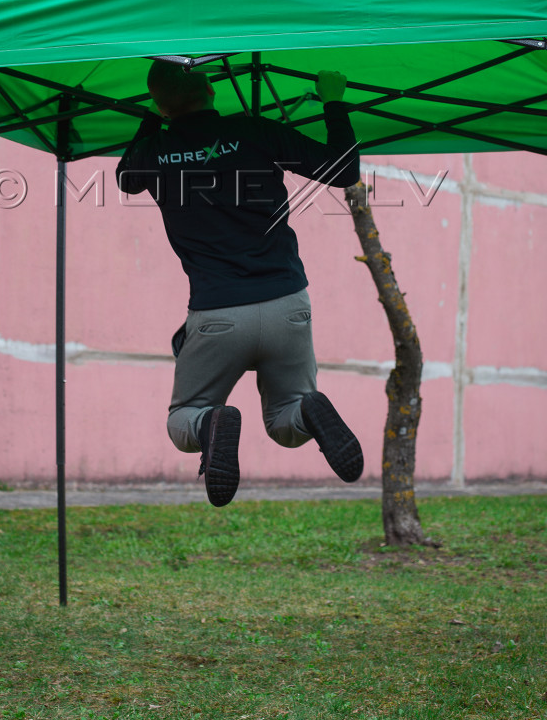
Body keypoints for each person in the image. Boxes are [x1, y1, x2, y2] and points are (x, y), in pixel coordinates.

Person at [116, 59, 364, 506]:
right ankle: (308, 410)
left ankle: (210, 424)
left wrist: (154, 119)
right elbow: (342, 171)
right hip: (288, 304)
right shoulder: (255, 131)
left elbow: (125, 179)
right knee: (286, 422)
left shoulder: (151, 153)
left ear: (159, 103)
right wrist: (333, 102)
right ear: (210, 89)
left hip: (217, 315)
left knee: (184, 419)